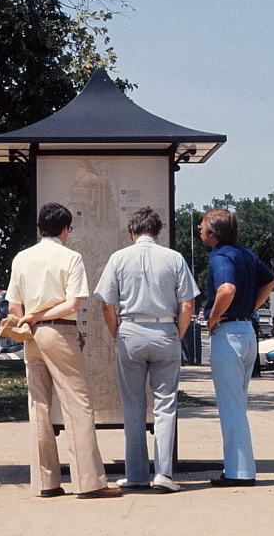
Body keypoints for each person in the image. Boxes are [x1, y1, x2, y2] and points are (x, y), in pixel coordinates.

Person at [6, 202, 122, 499]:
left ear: (40, 227)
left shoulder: (22, 258)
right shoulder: (71, 257)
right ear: (65, 229)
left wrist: (30, 318)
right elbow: (73, 304)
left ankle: (46, 482)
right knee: (78, 404)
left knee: (39, 406)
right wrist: (41, 316)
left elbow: (14, 307)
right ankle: (90, 482)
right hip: (60, 331)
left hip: (29, 337)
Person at [94, 207, 199, 493]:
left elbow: (106, 303)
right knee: (165, 406)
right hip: (165, 330)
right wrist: (177, 334)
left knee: (133, 406)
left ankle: (137, 474)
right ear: (158, 230)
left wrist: (117, 333)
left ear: (132, 230)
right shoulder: (174, 258)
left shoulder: (118, 258)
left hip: (130, 330)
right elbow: (187, 304)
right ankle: (164, 474)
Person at [199, 209, 274, 487]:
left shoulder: (220, 256)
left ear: (214, 233)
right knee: (237, 403)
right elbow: (270, 281)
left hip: (229, 333)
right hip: (247, 330)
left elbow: (226, 288)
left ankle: (239, 471)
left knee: (230, 406)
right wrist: (251, 307)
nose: (199, 230)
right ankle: (239, 467)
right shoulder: (246, 253)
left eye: (202, 227)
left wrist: (214, 316)